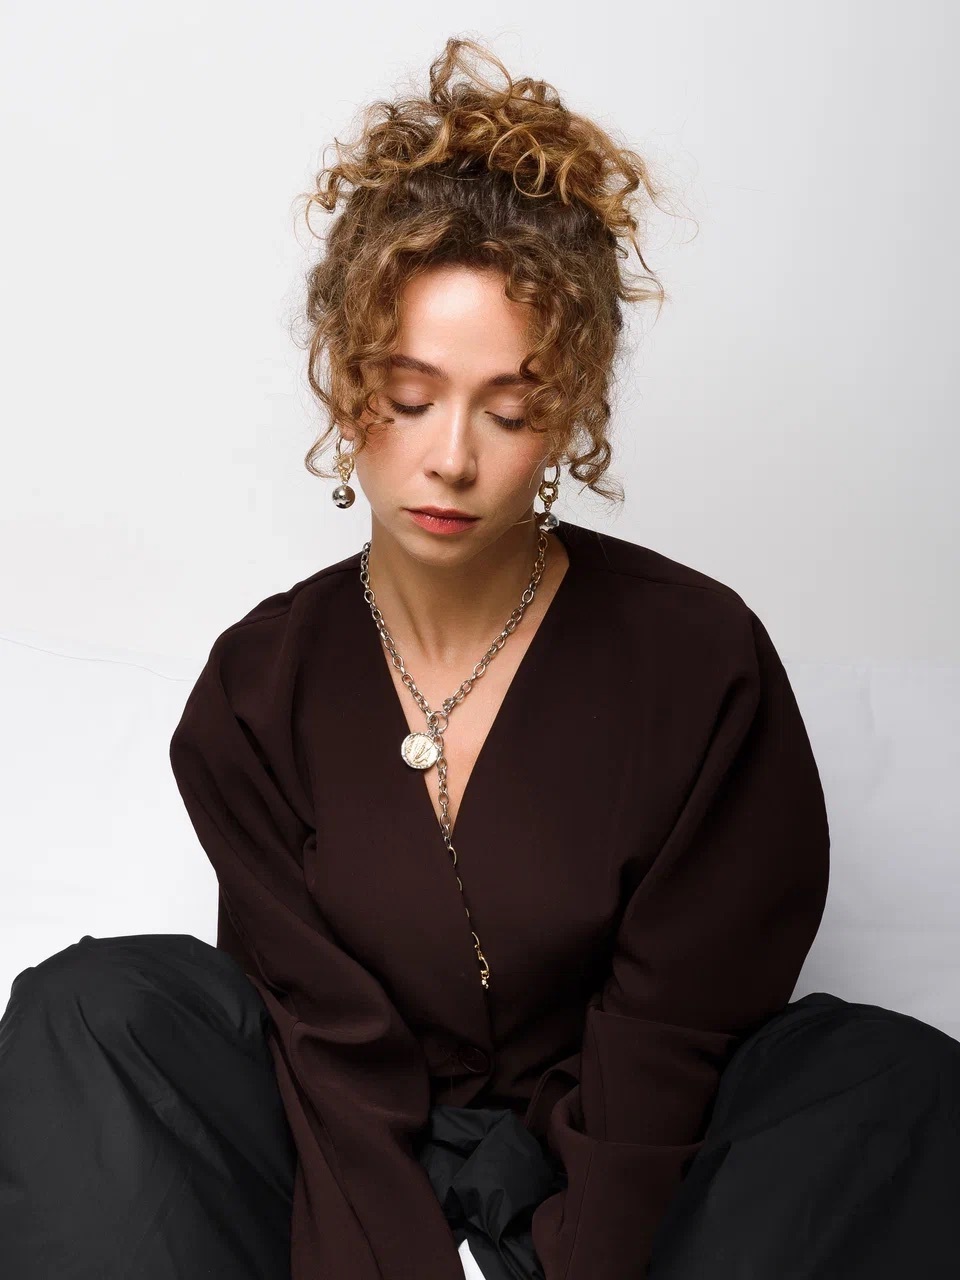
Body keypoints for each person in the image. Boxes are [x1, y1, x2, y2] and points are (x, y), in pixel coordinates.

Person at [2, 35, 959, 1280]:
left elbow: (671, 1042)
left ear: (567, 416)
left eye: (509, 410)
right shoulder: (257, 690)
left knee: (891, 1079)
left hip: (639, 1177)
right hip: (335, 1164)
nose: (451, 456)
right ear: (345, 380)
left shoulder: (699, 660)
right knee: (90, 1009)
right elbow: (326, 1051)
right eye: (408, 397)